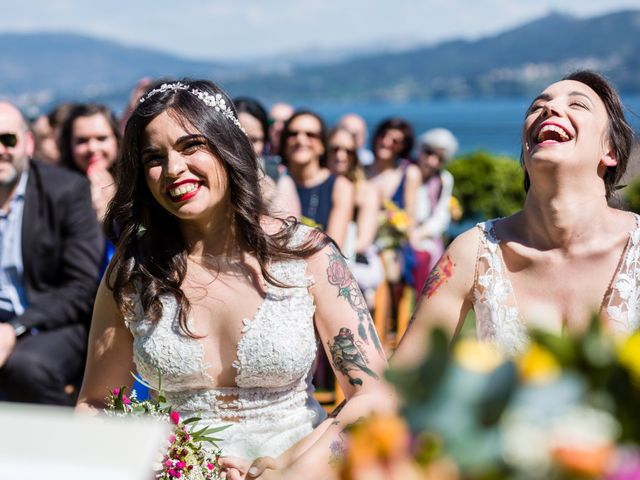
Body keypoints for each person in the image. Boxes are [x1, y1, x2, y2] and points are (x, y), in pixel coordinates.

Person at [76, 80, 391, 479]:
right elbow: (96, 406)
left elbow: (374, 396)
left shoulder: (307, 255)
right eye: (154, 158)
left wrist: (288, 469)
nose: (174, 169)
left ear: (228, 146)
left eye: (192, 146)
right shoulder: (133, 274)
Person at [394, 70, 636, 362]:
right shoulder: (473, 253)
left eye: (577, 105)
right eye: (537, 107)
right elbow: (404, 378)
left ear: (610, 151)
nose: (550, 108)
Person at [0, 101, 103, 405]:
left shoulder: (65, 191)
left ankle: (63, 447)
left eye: (8, 140)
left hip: (50, 321)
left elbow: (81, 286)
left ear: (28, 143)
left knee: (27, 367)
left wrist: (14, 329)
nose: (0, 150)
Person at [280, 110, 355, 250]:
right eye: (293, 134)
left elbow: (333, 245)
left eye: (310, 135)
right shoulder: (273, 181)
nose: (301, 140)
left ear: (322, 146)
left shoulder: (340, 186)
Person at [327, 126, 383, 308]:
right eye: (335, 149)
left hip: (351, 260)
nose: (341, 156)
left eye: (348, 151)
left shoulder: (367, 191)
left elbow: (363, 240)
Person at [410, 128, 458, 293]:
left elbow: (441, 217)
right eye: (429, 153)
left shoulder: (444, 179)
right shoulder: (408, 171)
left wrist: (420, 233)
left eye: (439, 158)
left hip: (427, 238)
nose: (432, 161)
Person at [59, 103, 120, 225]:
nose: (92, 148)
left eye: (101, 138)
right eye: (82, 141)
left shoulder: (138, 185)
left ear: (117, 140)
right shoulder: (57, 193)